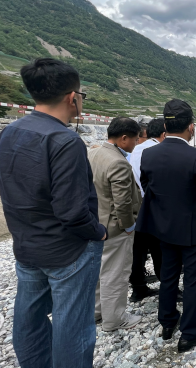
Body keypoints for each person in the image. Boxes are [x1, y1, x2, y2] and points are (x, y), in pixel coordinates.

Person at [0, 58, 107, 368]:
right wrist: (97, 232)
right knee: (72, 326)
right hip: (67, 251)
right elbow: (72, 211)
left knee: (28, 318)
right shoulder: (65, 140)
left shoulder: (10, 133)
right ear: (72, 97)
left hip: (26, 245)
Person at [136, 99, 196, 353]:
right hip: (194, 230)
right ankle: (190, 334)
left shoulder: (149, 154)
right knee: (194, 280)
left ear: (164, 125)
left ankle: (168, 323)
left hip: (163, 228)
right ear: (191, 128)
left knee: (169, 276)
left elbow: (147, 186)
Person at [89, 117, 143, 331]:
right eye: (136, 139)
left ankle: (96, 312)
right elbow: (122, 202)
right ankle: (114, 319)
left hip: (95, 223)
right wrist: (128, 226)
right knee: (116, 274)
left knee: (100, 273)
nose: (136, 143)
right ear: (123, 138)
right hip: (114, 227)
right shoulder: (118, 162)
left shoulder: (92, 153)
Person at [128, 118, 166, 302]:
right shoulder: (156, 151)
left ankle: (138, 287)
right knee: (159, 250)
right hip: (151, 206)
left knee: (139, 250)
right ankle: (167, 288)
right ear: (164, 133)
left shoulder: (134, 150)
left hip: (134, 205)